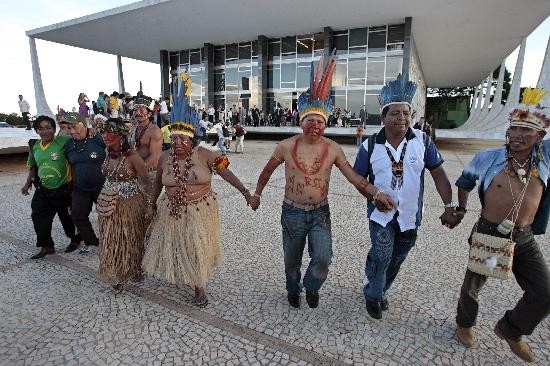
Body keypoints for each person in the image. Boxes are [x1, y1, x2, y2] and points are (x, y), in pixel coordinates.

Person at [249, 55, 394, 309]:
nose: (315, 125)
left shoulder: (334, 149)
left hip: (320, 213)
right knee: (291, 259)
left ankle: (312, 286)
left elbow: (354, 178)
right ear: (301, 121)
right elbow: (266, 172)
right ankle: (292, 289)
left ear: (326, 124)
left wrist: (376, 193)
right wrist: (257, 194)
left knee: (324, 257)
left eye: (320, 121)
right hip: (292, 211)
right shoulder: (285, 146)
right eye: (310, 120)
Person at [452, 88, 550, 363]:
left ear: (540, 136)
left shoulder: (545, 159)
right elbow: (464, 183)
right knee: (473, 284)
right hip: (489, 232)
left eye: (526, 130)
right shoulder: (488, 158)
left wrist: (540, 110)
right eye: (513, 128)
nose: (517, 135)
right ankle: (464, 324)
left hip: (525, 237)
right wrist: (460, 209)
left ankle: (511, 329)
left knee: (544, 292)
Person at [142, 74, 252, 307]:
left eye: (184, 139)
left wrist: (246, 193)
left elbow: (226, 173)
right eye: (175, 138)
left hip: (200, 209)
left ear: (192, 140)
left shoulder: (207, 155)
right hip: (171, 209)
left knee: (195, 246)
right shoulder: (165, 157)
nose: (179, 143)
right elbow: (158, 183)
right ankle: (183, 271)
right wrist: (151, 205)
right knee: (177, 244)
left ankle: (199, 286)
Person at [352, 74, 455, 320]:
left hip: (410, 215)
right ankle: (374, 294)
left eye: (406, 113)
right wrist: (373, 194)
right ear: (384, 116)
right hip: (380, 215)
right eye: (395, 113)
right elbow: (358, 179)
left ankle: (378, 281)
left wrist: (449, 205)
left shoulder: (423, 141)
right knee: (383, 252)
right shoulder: (369, 146)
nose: (402, 118)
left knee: (397, 257)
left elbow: (439, 174)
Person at [96, 118, 152, 293]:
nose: (105, 136)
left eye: (109, 132)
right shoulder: (107, 152)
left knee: (129, 239)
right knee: (111, 238)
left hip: (129, 205)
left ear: (120, 136)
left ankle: (128, 271)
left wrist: (151, 204)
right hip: (108, 204)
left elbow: (147, 182)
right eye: (103, 132)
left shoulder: (133, 157)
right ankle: (122, 269)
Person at [21, 115, 82, 259]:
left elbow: (78, 136)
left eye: (49, 128)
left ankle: (75, 239)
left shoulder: (64, 141)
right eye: (41, 128)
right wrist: (27, 184)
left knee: (67, 218)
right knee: (38, 216)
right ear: (37, 131)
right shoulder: (35, 146)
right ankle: (47, 246)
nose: (45, 131)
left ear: (54, 129)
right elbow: (33, 167)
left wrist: (89, 130)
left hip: (62, 190)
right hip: (42, 189)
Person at [64, 112, 106, 254]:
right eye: (69, 128)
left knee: (107, 216)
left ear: (84, 124)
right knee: (77, 214)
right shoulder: (69, 144)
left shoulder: (97, 137)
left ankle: (111, 241)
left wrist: (96, 127)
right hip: (80, 187)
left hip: (102, 186)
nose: (72, 131)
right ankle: (91, 241)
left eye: (75, 126)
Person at [128, 95, 163, 176]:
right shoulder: (134, 127)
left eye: (141, 110)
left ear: (150, 114)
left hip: (150, 173)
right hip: (135, 169)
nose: (137, 113)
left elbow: (154, 157)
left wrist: (136, 171)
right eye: (135, 110)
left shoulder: (155, 131)